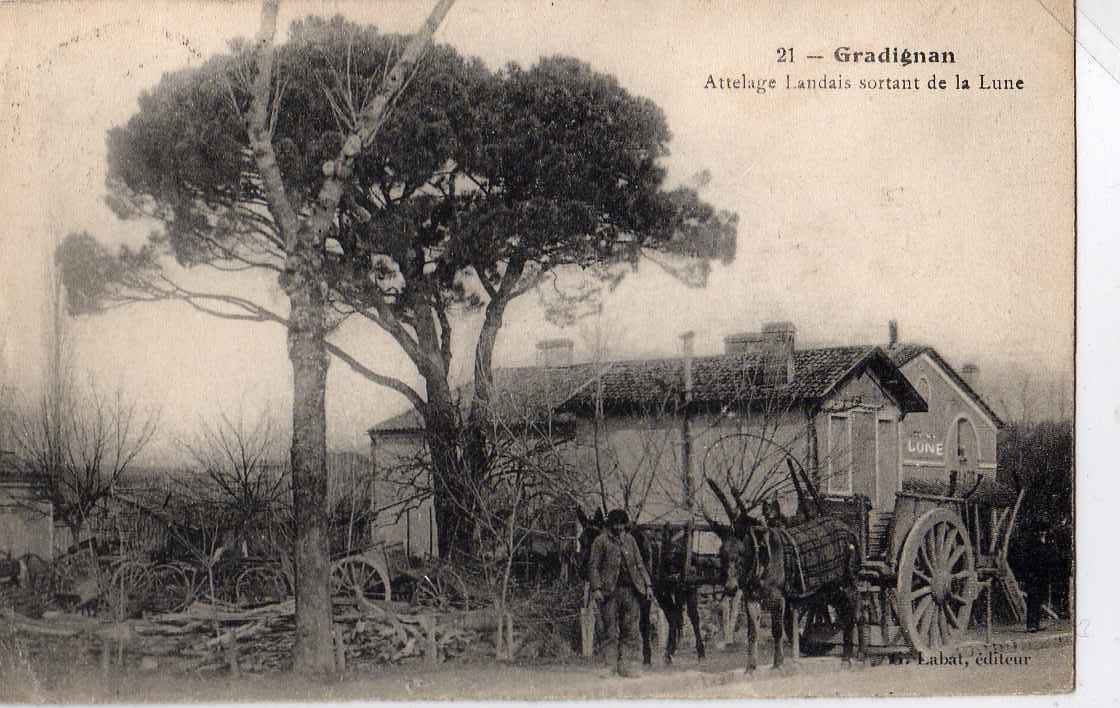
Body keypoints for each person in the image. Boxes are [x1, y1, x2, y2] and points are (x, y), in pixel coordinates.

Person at [588, 509, 655, 677]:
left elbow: (639, 564)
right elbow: (593, 566)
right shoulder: (600, 541)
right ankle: (609, 666)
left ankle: (628, 666)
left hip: (631, 591)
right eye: (615, 524)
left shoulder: (630, 540)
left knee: (631, 630)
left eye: (622, 525)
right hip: (609, 593)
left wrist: (648, 585)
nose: (619, 528)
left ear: (625, 525)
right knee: (610, 630)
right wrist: (596, 588)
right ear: (610, 525)